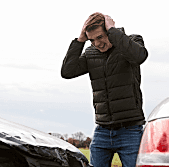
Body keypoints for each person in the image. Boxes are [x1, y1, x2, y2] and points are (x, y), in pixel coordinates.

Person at [61, 12, 148, 167]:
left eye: (100, 37)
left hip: (130, 130)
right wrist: (80, 40)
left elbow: (139, 56)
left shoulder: (131, 42)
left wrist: (114, 31)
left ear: (109, 30)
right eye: (91, 40)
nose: (97, 43)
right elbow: (67, 71)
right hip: (102, 131)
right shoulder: (90, 53)